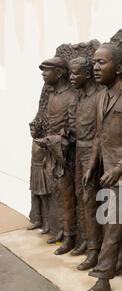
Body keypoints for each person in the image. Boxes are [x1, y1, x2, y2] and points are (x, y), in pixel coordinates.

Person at [79, 44, 122, 291]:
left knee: (113, 226)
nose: (95, 67)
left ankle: (103, 280)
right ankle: (112, 264)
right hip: (106, 171)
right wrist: (91, 167)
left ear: (118, 67)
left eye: (101, 63)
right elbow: (99, 137)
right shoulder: (100, 97)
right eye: (94, 62)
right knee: (109, 221)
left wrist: (120, 168)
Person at [36, 57, 77, 255]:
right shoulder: (52, 96)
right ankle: (61, 229)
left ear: (59, 73)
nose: (43, 74)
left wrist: (52, 140)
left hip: (65, 156)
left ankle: (70, 237)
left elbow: (74, 131)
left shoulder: (71, 96)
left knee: (68, 198)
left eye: (47, 70)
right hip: (52, 152)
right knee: (59, 196)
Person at [69, 56, 102, 270]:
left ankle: (94, 251)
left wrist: (91, 163)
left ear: (87, 75)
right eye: (70, 73)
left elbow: (100, 133)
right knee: (81, 198)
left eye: (75, 73)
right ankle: (85, 241)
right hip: (79, 151)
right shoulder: (80, 98)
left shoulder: (98, 98)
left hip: (93, 153)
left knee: (91, 202)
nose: (72, 77)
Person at [27, 118, 50, 234]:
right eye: (30, 130)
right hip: (34, 169)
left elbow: (48, 156)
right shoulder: (34, 141)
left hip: (41, 171)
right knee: (34, 196)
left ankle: (47, 222)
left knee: (43, 197)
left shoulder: (43, 142)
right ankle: (37, 220)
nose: (31, 132)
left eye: (33, 130)